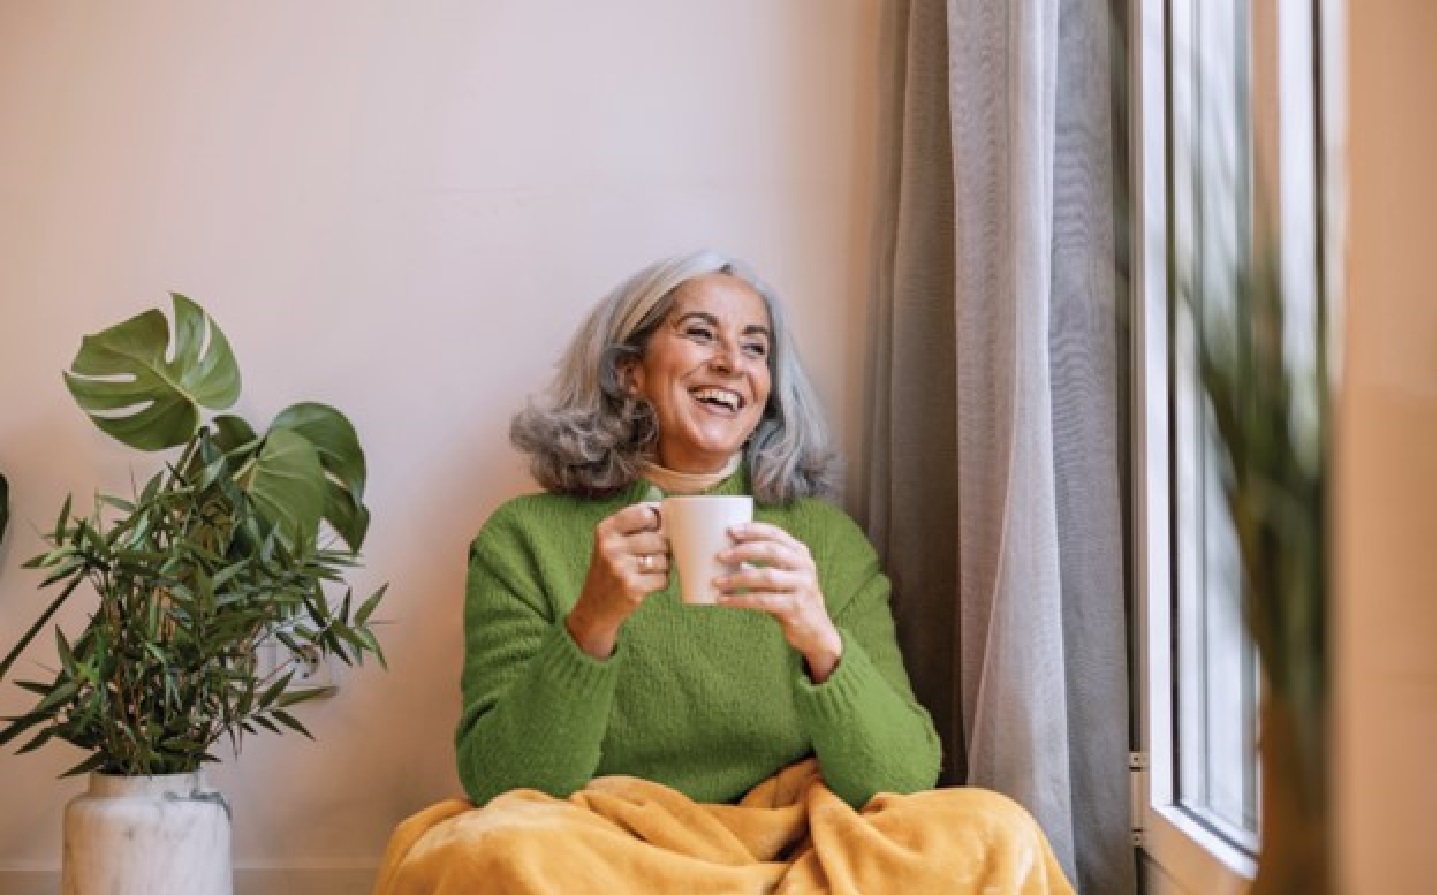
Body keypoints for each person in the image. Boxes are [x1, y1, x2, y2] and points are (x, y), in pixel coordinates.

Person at [373, 251, 1075, 895]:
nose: (730, 362)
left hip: (792, 847)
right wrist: (593, 618)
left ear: (767, 389)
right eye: (701, 333)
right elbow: (506, 781)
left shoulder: (823, 542)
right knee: (483, 850)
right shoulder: (525, 537)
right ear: (630, 369)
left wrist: (819, 638)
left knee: (992, 828)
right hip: (610, 851)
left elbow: (901, 777)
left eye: (754, 347)